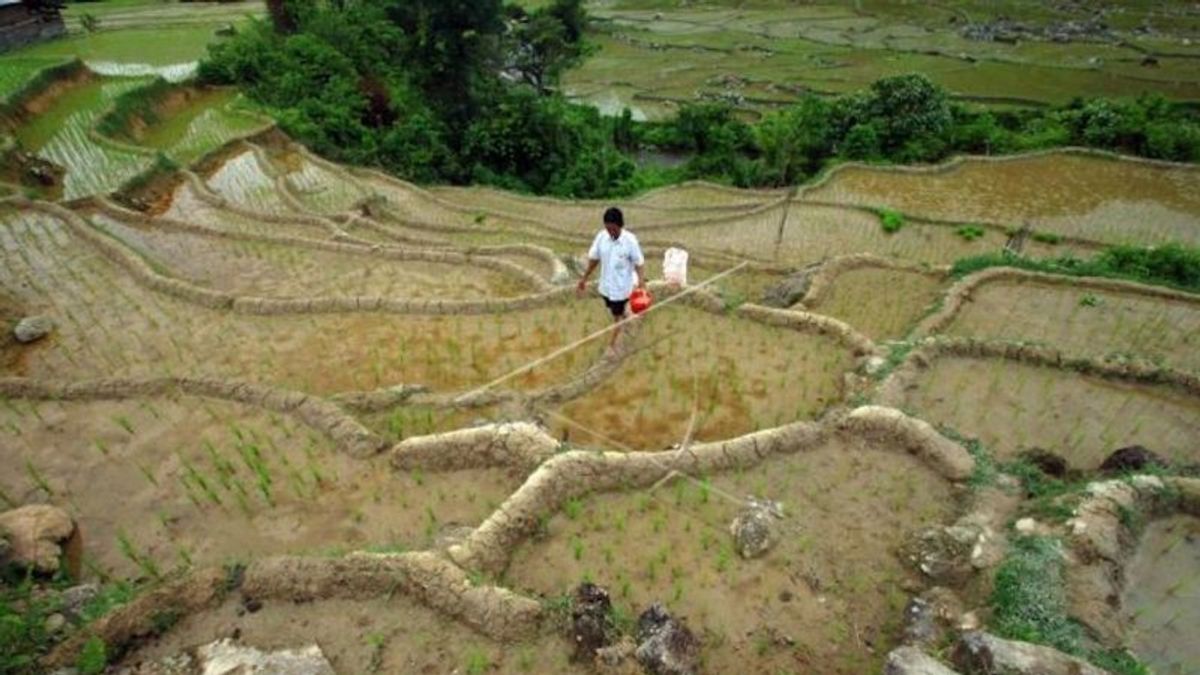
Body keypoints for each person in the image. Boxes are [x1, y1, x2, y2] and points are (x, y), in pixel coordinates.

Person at [576, 206, 646, 350]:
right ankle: (622, 323)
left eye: (613, 229)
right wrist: (584, 278)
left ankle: (614, 344)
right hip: (606, 287)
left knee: (617, 316)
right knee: (613, 310)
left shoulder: (630, 241)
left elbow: (639, 263)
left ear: (620, 225)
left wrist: (641, 282)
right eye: (608, 229)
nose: (611, 232)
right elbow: (594, 259)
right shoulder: (602, 237)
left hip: (622, 289)